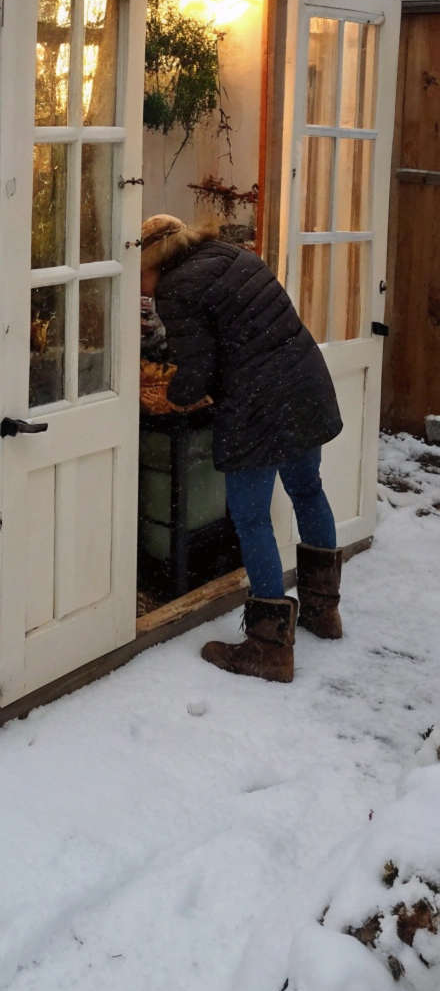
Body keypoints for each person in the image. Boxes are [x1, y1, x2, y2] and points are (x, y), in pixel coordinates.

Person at [140, 214, 344, 683]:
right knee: (308, 490)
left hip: (257, 404)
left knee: (250, 516)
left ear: (155, 262)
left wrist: (170, 395)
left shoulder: (176, 289)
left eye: (142, 278)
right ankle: (322, 612)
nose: (144, 291)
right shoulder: (231, 255)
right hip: (304, 383)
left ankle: (268, 648)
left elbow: (199, 370)